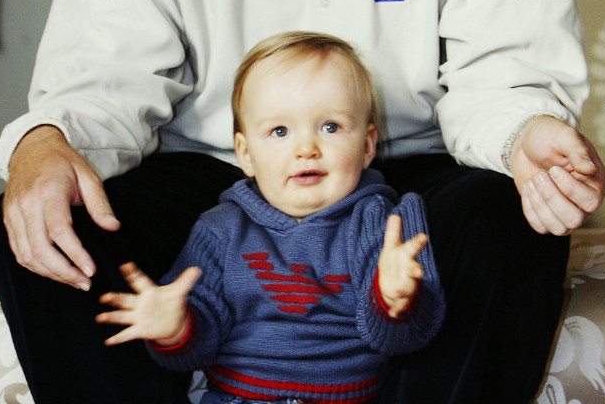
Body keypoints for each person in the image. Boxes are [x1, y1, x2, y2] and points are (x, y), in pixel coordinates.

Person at [0, 0, 605, 402]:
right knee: (40, 225)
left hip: (413, 164)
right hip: (219, 165)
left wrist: (525, 130)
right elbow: (103, 76)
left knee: (507, 218)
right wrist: (46, 138)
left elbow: (506, 74)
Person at [94, 32, 445, 404]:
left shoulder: (384, 226)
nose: (306, 148)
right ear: (245, 154)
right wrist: (174, 327)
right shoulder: (221, 229)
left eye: (331, 127)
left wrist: (396, 300)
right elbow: (194, 352)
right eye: (280, 131)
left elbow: (404, 341)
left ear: (367, 146)